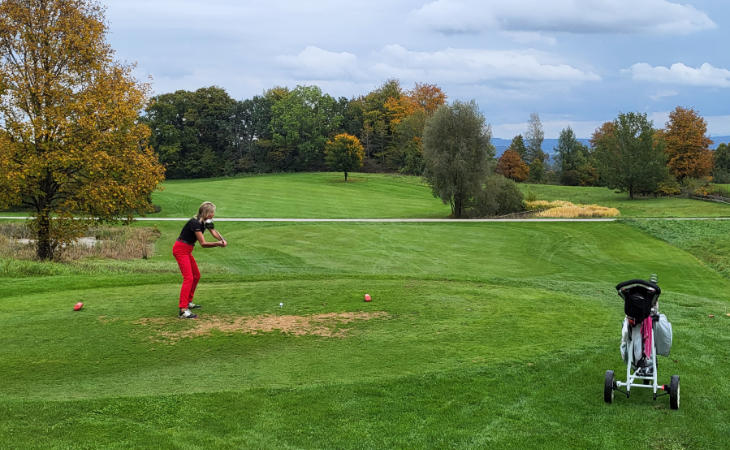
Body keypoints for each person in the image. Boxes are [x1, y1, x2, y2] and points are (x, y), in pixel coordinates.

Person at [173, 201, 227, 319]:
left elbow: (213, 232)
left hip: (187, 250)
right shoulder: (195, 223)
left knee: (196, 275)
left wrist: (222, 239)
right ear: (207, 213)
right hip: (180, 249)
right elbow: (203, 243)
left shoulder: (205, 222)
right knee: (189, 277)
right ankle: (183, 310)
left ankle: (188, 302)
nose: (213, 214)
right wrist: (218, 244)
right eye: (212, 212)